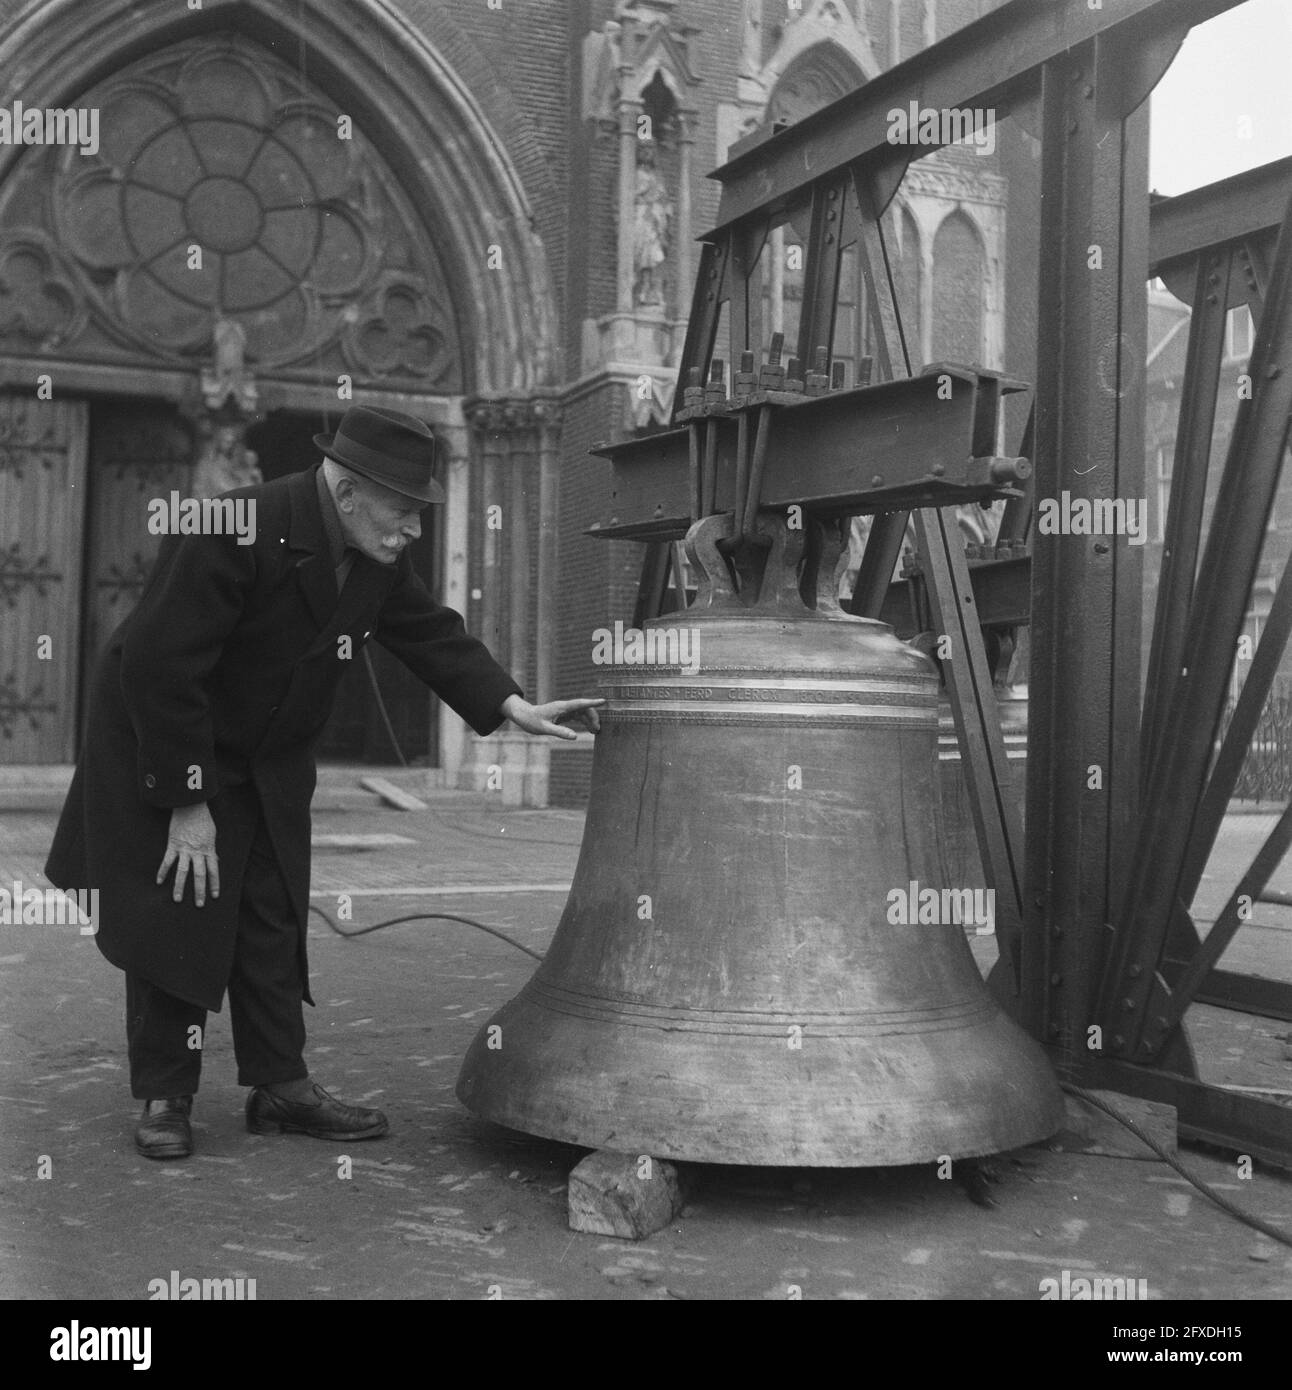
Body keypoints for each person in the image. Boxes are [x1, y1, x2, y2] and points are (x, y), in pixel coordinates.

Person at [45, 404, 602, 1160]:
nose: (413, 530)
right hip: (167, 739)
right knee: (183, 909)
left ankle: (279, 1085)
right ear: (346, 495)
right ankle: (167, 1093)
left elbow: (426, 630)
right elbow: (157, 666)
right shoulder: (230, 527)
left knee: (271, 907)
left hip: (267, 753)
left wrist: (512, 706)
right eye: (404, 510)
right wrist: (186, 800)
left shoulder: (372, 556)